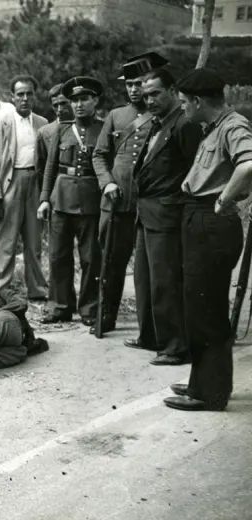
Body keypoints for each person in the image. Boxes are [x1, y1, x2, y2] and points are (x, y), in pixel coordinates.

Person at [164, 68, 252, 411]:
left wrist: (224, 200)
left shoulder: (233, 126)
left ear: (198, 101)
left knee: (206, 309)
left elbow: (248, 164)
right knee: (202, 306)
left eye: (185, 102)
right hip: (201, 218)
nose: (183, 108)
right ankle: (204, 381)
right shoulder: (215, 127)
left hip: (211, 220)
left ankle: (209, 393)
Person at [127, 68, 202, 366]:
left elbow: (196, 170)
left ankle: (175, 346)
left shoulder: (184, 124)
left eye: (155, 93)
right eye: (145, 95)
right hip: (147, 212)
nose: (149, 100)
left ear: (172, 91)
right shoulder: (159, 122)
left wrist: (182, 204)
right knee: (144, 280)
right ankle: (151, 336)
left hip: (168, 213)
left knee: (165, 281)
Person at [91, 52, 166, 335]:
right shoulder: (116, 115)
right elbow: (99, 155)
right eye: (129, 84)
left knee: (151, 267)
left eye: (139, 83)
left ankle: (151, 323)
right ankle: (106, 315)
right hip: (117, 202)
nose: (134, 90)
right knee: (111, 262)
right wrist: (107, 183)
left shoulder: (163, 115)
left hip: (148, 203)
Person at [38, 77, 104, 326]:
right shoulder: (62, 130)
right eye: (74, 100)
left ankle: (89, 308)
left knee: (91, 257)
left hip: (91, 200)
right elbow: (50, 167)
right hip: (61, 199)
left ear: (95, 101)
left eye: (84, 99)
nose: (78, 105)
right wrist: (44, 199)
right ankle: (59, 306)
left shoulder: (104, 129)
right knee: (58, 256)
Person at [0, 75, 49, 302]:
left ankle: (38, 289)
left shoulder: (42, 123)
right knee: (5, 241)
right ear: (12, 97)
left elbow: (48, 161)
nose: (25, 98)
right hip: (10, 185)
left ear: (35, 96)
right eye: (20, 94)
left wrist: (46, 195)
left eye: (29, 94)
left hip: (35, 184)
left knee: (34, 241)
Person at [36, 83, 74, 182]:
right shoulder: (44, 132)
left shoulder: (85, 127)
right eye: (55, 105)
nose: (59, 109)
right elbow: (40, 169)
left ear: (72, 101)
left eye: (63, 103)